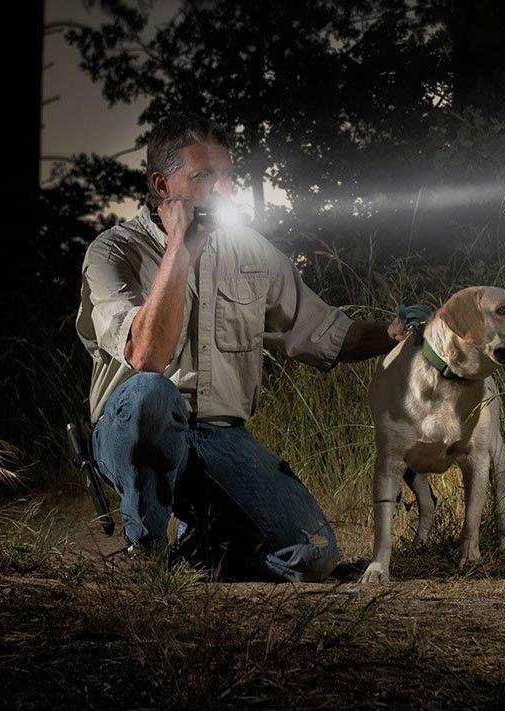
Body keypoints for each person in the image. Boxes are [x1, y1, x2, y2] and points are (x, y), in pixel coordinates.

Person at [75, 114, 415, 582]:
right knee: (154, 393)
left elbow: (329, 335)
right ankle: (147, 554)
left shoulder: (252, 253)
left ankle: (204, 545)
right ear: (162, 185)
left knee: (313, 557)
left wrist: (396, 333)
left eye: (227, 176)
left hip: (220, 438)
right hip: (132, 430)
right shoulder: (113, 252)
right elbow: (146, 356)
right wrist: (180, 247)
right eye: (203, 177)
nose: (222, 189)